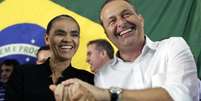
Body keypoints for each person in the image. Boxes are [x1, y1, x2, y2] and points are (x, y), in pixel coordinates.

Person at [50, 0, 199, 101]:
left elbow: (182, 97)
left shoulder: (173, 47)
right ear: (106, 34)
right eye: (112, 21)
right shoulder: (103, 77)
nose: (121, 23)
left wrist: (110, 94)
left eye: (126, 14)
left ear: (140, 19)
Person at [5, 14, 94, 101]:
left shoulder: (89, 80)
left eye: (74, 35)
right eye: (60, 34)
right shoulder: (22, 74)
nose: (67, 39)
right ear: (47, 39)